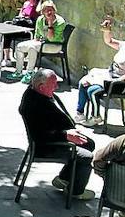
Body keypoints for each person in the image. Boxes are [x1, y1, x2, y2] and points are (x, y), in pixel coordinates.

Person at [18, 68, 95, 200]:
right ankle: (76, 192)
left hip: (55, 136)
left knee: (89, 143)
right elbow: (40, 135)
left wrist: (70, 131)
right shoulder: (34, 105)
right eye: (53, 84)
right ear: (41, 87)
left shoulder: (38, 93)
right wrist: (66, 135)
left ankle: (64, 179)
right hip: (46, 146)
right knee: (86, 156)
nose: (57, 86)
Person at [75, 18, 125, 124]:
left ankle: (96, 117)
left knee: (92, 90)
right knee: (83, 82)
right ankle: (80, 113)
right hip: (109, 75)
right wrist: (107, 30)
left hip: (119, 83)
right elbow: (109, 41)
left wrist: (116, 80)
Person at [14, 0, 67, 76]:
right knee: (19, 46)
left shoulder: (60, 22)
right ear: (42, 12)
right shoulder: (40, 20)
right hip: (42, 43)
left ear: (54, 11)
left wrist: (50, 24)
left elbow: (52, 39)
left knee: (32, 48)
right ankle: (18, 72)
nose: (49, 12)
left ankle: (30, 72)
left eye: (51, 10)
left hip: (55, 45)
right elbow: (37, 35)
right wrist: (37, 39)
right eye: (46, 10)